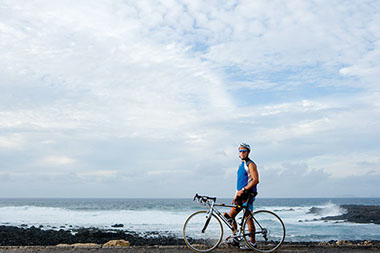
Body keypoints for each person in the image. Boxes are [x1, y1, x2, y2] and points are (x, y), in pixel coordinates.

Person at [225, 143, 259, 249]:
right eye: (240, 151)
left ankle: (252, 243)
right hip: (241, 196)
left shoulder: (250, 164)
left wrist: (243, 190)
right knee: (229, 217)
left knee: (248, 218)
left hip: (248, 195)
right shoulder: (241, 165)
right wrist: (236, 195)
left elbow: (256, 180)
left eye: (244, 151)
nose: (242, 153)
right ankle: (236, 238)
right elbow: (240, 183)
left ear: (248, 152)